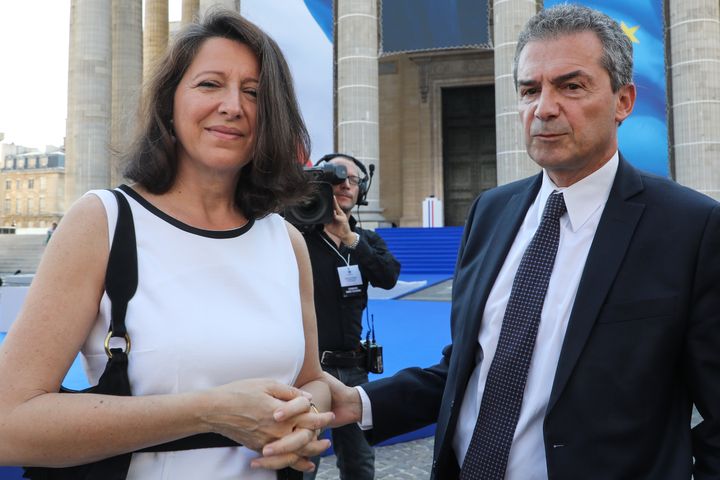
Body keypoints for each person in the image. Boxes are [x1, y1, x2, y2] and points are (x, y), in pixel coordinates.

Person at [318, 5, 720, 480]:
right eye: (530, 89)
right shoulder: (491, 211)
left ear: (623, 101)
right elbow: (472, 368)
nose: (544, 108)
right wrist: (358, 401)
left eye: (571, 86)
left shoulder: (690, 228)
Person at [0, 10, 335, 479]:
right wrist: (209, 412)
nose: (233, 106)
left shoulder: (286, 241)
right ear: (169, 103)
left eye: (254, 93)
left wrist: (303, 418)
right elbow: (8, 424)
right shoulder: (105, 222)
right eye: (209, 84)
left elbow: (310, 382)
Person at [302, 153, 400, 479]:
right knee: (302, 463)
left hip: (355, 370)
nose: (346, 185)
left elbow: (388, 276)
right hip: (310, 370)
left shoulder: (365, 240)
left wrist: (351, 239)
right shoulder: (298, 238)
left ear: (362, 191)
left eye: (354, 180)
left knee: (359, 463)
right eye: (337, 177)